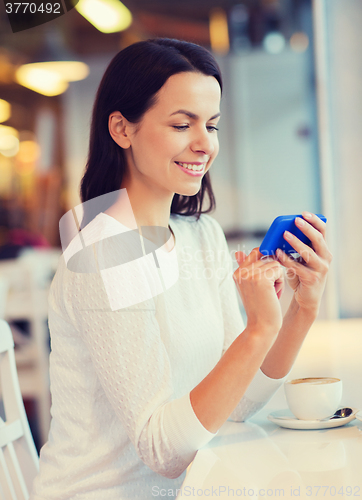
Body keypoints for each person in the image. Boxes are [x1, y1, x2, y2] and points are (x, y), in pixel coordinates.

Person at [30, 38, 332, 500]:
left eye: (210, 124)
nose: (203, 143)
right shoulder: (105, 249)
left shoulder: (201, 235)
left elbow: (237, 404)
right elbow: (162, 451)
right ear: (121, 129)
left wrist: (301, 310)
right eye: (180, 123)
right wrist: (256, 330)